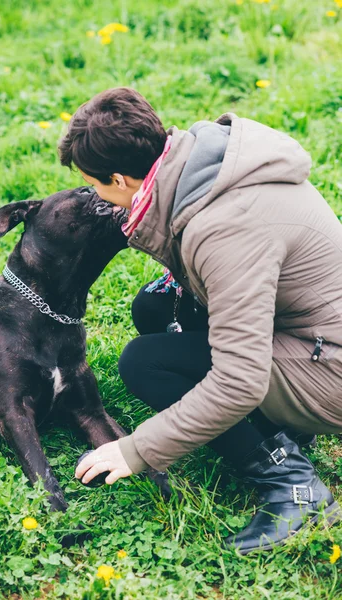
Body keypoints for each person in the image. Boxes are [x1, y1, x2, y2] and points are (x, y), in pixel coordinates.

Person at [58, 87, 342, 554]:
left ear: (120, 178)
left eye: (95, 185)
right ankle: (283, 427)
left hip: (329, 366)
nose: (97, 197)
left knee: (145, 364)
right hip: (306, 331)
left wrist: (136, 449)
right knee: (154, 307)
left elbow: (239, 380)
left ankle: (292, 482)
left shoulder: (226, 228)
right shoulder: (202, 163)